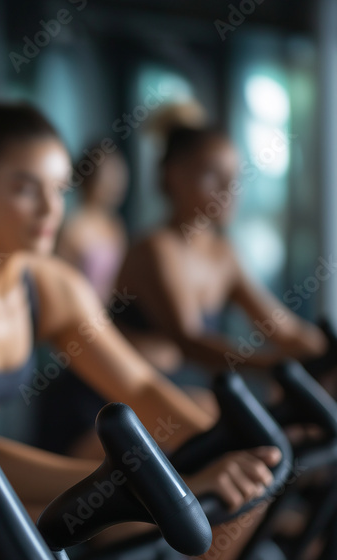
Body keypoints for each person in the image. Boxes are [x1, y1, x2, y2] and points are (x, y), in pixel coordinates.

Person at [0, 96, 280, 559]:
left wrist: (213, 444)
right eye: (25, 188)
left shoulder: (48, 284)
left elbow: (139, 384)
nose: (49, 210)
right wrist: (140, 480)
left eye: (59, 190)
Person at [112, 125, 328, 381]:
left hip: (172, 393)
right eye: (213, 174)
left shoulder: (224, 255)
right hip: (113, 400)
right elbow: (190, 341)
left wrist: (322, 350)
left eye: (234, 177)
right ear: (173, 175)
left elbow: (283, 329)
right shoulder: (155, 249)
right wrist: (273, 366)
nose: (229, 188)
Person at [56, 141, 129, 301]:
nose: (115, 183)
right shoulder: (72, 228)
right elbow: (61, 286)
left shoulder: (114, 224)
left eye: (118, 175)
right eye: (108, 176)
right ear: (89, 177)